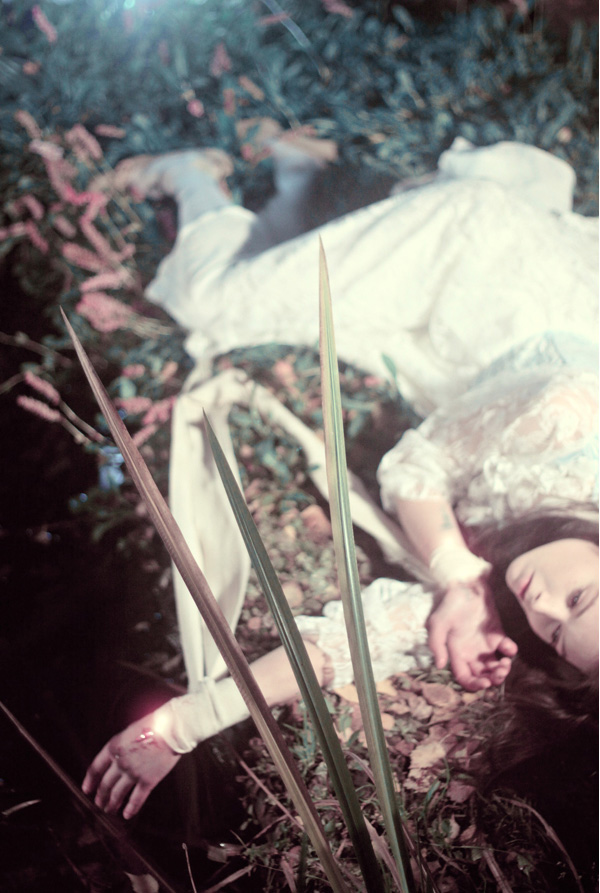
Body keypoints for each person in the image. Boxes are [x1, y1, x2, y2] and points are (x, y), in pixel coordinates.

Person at [82, 125, 598, 821]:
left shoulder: (533, 594)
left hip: (457, 357)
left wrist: (180, 726)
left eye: (556, 634)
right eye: (580, 598)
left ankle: (301, 178)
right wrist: (456, 574)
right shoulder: (571, 412)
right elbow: (417, 467)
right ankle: (190, 170)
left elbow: (360, 639)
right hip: (484, 261)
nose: (541, 605)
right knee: (214, 304)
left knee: (290, 301)